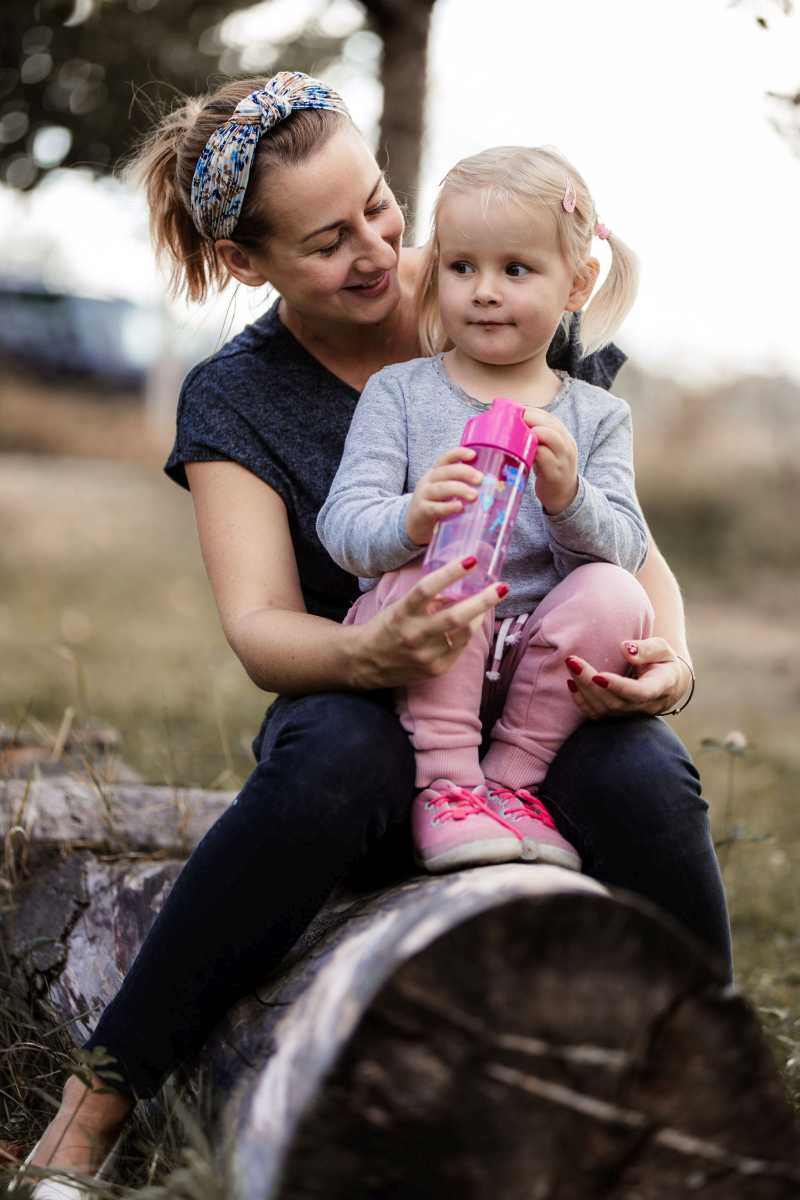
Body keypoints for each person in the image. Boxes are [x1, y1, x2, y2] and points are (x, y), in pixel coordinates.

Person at [17, 71, 730, 1195]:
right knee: (334, 759)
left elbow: (626, 540)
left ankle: (705, 1097)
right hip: (366, 698)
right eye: (326, 240)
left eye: (380, 208)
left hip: (532, 704)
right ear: (249, 265)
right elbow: (260, 629)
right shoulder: (236, 397)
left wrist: (672, 665)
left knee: (646, 776)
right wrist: (369, 656)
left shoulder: (497, 284)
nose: (377, 250)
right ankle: (101, 1097)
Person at [317, 144, 655, 875]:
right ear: (435, 271)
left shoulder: (596, 418)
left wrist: (568, 500)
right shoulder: (401, 394)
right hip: (416, 645)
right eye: (462, 266)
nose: (485, 291)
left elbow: (626, 549)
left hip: (533, 666)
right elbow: (342, 528)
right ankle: (444, 786)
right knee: (441, 571)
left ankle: (512, 785)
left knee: (616, 593)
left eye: (516, 269)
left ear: (578, 284)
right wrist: (413, 518)